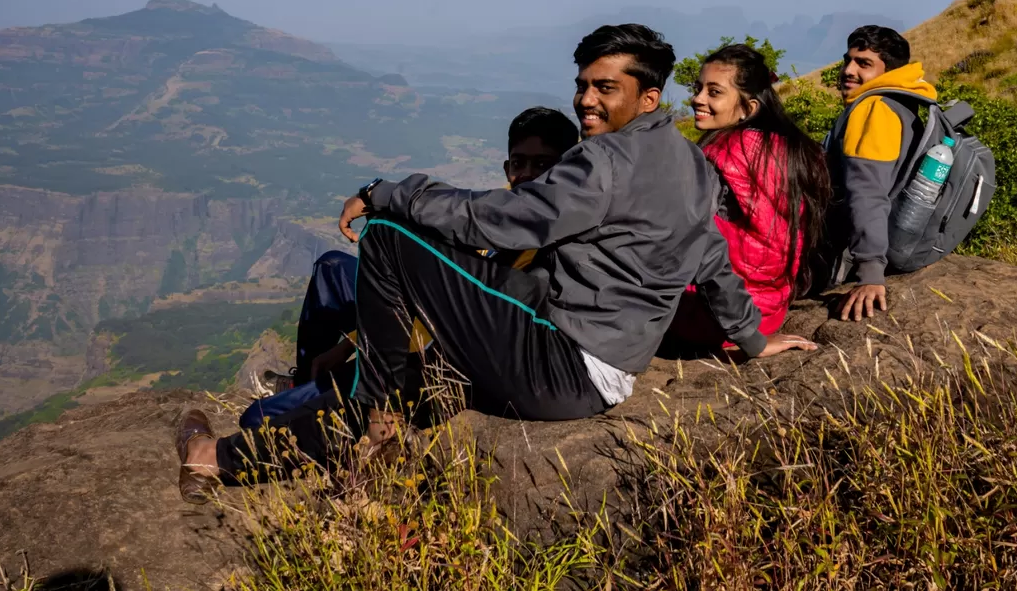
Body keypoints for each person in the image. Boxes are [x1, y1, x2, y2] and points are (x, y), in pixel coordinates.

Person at [175, 25, 815, 501]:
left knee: (392, 239)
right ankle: (219, 461)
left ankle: (378, 421)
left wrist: (387, 193)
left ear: (649, 98)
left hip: (564, 364)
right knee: (429, 370)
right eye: (583, 84)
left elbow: (503, 220)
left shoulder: (605, 161)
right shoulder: (691, 162)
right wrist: (753, 340)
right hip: (603, 363)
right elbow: (710, 255)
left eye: (605, 88)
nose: (586, 100)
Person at [235, 106, 581, 430]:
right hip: (420, 315)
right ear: (507, 168)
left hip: (421, 347)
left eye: (542, 165)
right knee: (332, 268)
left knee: (256, 421)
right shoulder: (500, 212)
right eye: (520, 163)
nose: (527, 175)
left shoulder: (549, 248)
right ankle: (309, 378)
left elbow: (450, 321)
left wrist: (351, 346)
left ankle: (326, 387)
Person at [666, 43, 830, 351]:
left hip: (708, 318)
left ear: (748, 108)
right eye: (698, 88)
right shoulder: (797, 151)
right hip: (767, 315)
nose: (697, 99)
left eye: (714, 92)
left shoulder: (719, 156)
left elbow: (699, 248)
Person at [823, 25, 937, 323]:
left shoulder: (874, 109)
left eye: (863, 64)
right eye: (847, 60)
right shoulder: (902, 101)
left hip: (842, 254)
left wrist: (870, 271)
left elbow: (868, 193)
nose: (848, 70)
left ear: (888, 70)